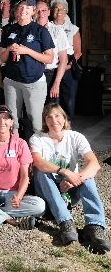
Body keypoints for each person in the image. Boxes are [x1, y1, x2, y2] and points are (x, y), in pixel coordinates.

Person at [30, 104, 109, 252]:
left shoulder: (75, 137)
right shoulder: (37, 138)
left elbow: (94, 164)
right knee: (41, 171)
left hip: (69, 192)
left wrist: (75, 179)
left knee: (88, 176)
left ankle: (94, 226)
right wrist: (65, 171)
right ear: (45, 121)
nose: (54, 120)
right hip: (47, 192)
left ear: (64, 118)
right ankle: (66, 222)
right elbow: (38, 162)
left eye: (57, 115)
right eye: (49, 117)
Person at [0, 0, 54, 137]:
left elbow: (49, 58)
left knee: (35, 121)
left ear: (33, 10)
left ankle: (37, 155)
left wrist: (27, 51)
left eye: (28, 7)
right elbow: (2, 58)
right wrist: (10, 49)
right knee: (12, 121)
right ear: (16, 10)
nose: (24, 9)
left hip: (34, 81)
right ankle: (15, 153)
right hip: (12, 80)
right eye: (21, 6)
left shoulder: (40, 30)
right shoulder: (8, 30)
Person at [51, 0, 81, 117]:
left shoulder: (73, 28)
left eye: (62, 9)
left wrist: (68, 66)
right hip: (52, 63)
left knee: (68, 97)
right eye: (56, 8)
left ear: (66, 11)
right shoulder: (47, 26)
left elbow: (78, 52)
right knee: (53, 97)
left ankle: (67, 124)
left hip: (68, 64)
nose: (59, 11)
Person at [35, 1, 68, 105]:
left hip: (50, 74)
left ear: (49, 12)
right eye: (37, 11)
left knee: (51, 110)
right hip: (33, 74)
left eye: (44, 10)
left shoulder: (58, 31)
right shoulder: (28, 30)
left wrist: (56, 83)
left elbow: (63, 60)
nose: (41, 14)